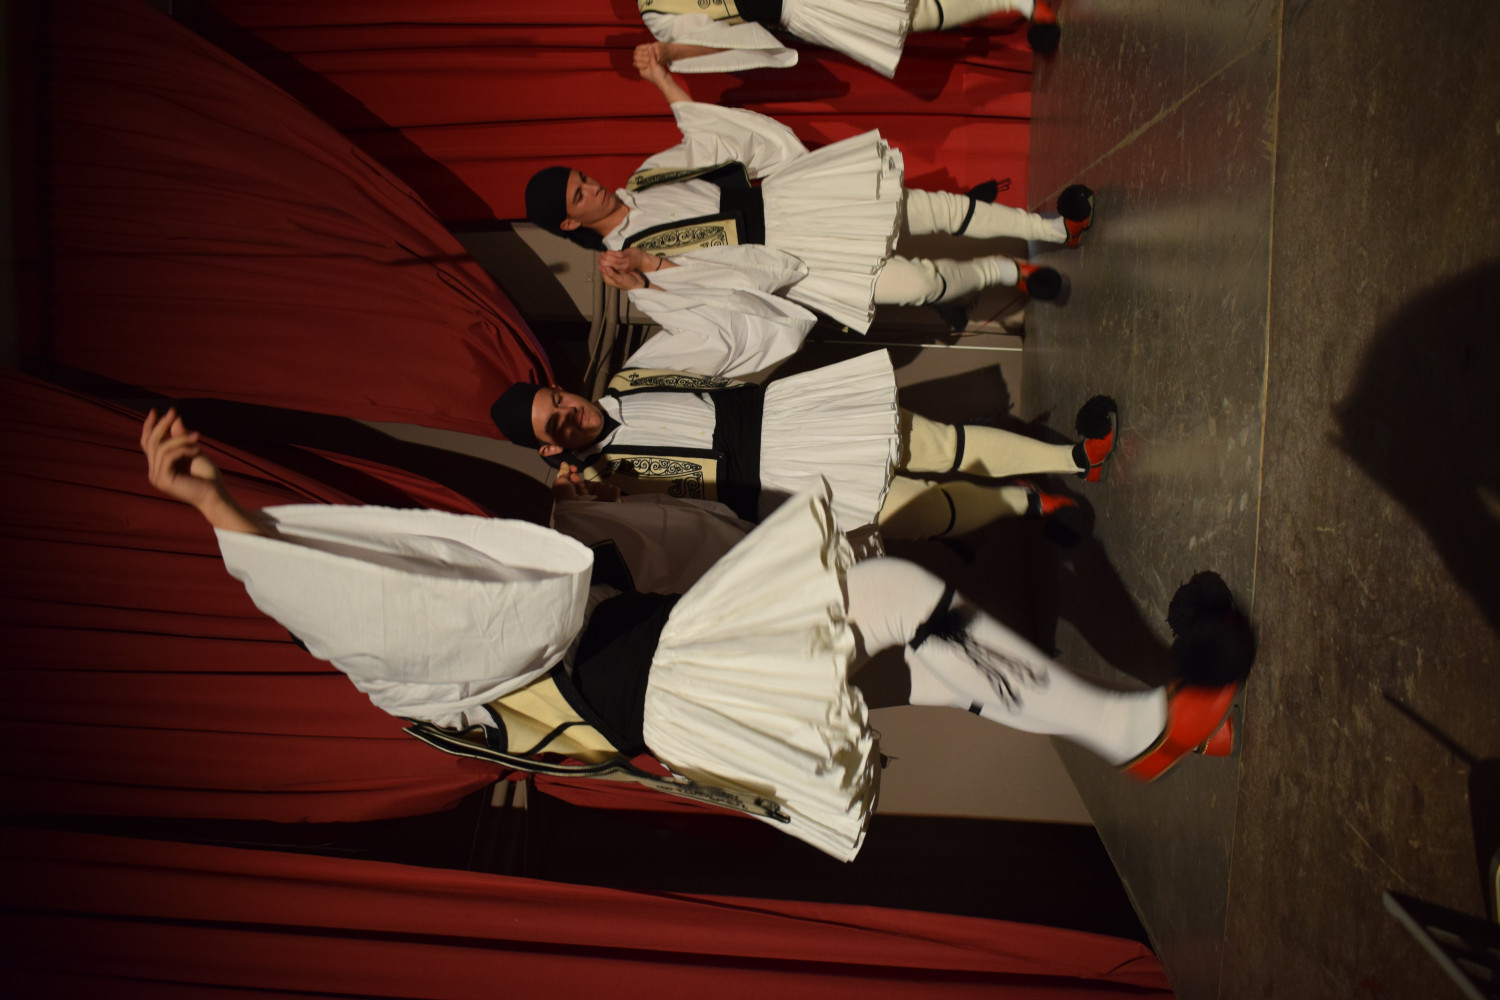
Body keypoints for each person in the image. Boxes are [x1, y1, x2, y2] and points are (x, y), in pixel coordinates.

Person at [141, 407, 1252, 860]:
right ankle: (1140, 728)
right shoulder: (383, 652)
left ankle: (1154, 727)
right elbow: (332, 589)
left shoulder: (425, 681)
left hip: (665, 686)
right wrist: (218, 507)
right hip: (659, 682)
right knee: (893, 595)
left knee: (911, 661)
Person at [491, 244, 1115, 542]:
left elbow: (718, 328)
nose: (571, 414)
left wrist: (653, 279)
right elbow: (668, 541)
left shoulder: (635, 376)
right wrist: (588, 506)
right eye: (556, 425)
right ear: (550, 449)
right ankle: (1025, 503)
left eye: (559, 400)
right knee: (923, 510)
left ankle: (1072, 457)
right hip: (779, 495)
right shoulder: (601, 489)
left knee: (935, 443)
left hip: (789, 421)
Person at [524, 46, 1093, 334]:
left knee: (927, 209)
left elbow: (702, 134)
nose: (592, 187)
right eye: (579, 196)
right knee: (919, 285)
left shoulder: (644, 178)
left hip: (791, 203)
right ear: (570, 224)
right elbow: (710, 303)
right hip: (791, 263)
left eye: (582, 178)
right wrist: (648, 269)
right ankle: (1006, 271)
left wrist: (660, 77)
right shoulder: (624, 272)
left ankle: (1050, 228)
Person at [638, 0, 1061, 79]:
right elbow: (714, 43)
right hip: (799, 9)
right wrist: (670, 52)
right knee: (905, 16)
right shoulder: (656, 11)